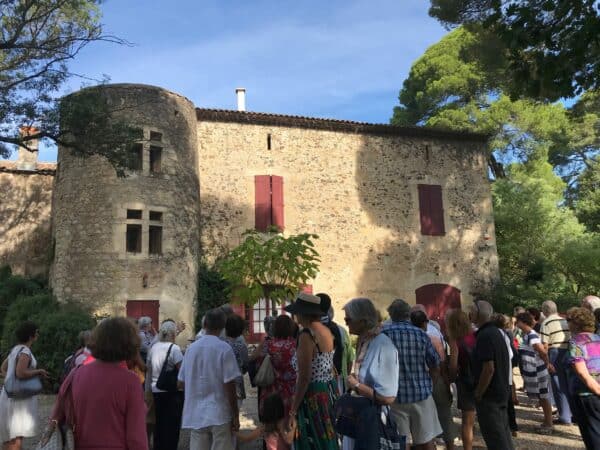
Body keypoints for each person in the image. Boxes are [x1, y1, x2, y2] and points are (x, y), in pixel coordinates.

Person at [48, 317, 148, 450]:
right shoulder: (131, 381)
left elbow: (58, 414)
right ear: (130, 343)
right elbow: (136, 438)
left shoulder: (76, 373)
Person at [382, 299, 442, 450]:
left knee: (401, 442)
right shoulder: (422, 335)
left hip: (394, 397)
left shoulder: (383, 336)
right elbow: (435, 365)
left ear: (391, 315)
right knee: (427, 440)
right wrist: (431, 385)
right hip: (421, 395)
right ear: (408, 315)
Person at [178, 308, 240, 450]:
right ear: (223, 326)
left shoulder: (191, 349)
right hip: (219, 412)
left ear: (204, 324)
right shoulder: (224, 349)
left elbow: (180, 382)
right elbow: (229, 385)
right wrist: (235, 414)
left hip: (196, 413)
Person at [342, 298, 399, 450]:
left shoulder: (382, 345)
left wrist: (357, 385)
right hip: (360, 417)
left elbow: (388, 397)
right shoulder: (365, 341)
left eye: (348, 319)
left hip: (373, 422)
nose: (346, 323)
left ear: (362, 320)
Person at [286, 292, 339, 450]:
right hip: (327, 391)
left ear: (303, 314)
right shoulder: (326, 331)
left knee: (312, 442)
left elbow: (304, 377)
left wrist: (293, 410)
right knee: (326, 439)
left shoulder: (306, 335)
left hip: (312, 395)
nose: (294, 315)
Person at [469, 300, 514, 450]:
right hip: (500, 391)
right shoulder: (496, 332)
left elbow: (489, 368)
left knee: (496, 437)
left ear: (479, 313)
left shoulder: (485, 335)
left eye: (471, 310)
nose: (469, 314)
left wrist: (479, 392)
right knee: (503, 433)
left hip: (490, 395)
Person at [410, 310, 456, 450]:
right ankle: (450, 446)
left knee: (420, 420)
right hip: (435, 380)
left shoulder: (410, 338)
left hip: (416, 382)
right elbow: (441, 363)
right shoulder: (434, 338)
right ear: (425, 323)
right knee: (444, 416)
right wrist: (446, 381)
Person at [0, 321, 48, 450]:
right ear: (31, 335)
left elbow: (3, 368)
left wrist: (10, 380)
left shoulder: (15, 350)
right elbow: (20, 373)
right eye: (36, 332)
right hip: (19, 399)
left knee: (9, 436)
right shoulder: (25, 351)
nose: (38, 334)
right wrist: (38, 371)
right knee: (16, 437)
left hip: (8, 395)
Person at [146, 320, 184, 450]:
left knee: (159, 423)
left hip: (155, 389)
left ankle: (158, 446)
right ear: (173, 334)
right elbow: (182, 370)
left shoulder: (153, 348)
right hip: (171, 391)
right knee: (172, 425)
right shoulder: (175, 349)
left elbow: (149, 369)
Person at [565, 307, 600, 449]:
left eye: (568, 320)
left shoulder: (576, 343)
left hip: (586, 395)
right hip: (595, 392)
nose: (567, 324)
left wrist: (597, 390)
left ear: (576, 323)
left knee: (592, 435)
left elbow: (582, 374)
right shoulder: (598, 339)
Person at [250, 315, 297, 418]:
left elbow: (254, 360)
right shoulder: (295, 345)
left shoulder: (268, 344)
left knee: (272, 422)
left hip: (271, 389)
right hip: (290, 390)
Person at [515, 312, 553, 433]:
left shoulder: (532, 335)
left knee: (543, 396)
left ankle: (549, 424)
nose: (516, 324)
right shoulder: (527, 335)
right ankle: (547, 421)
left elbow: (542, 351)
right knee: (541, 397)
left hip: (538, 370)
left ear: (524, 322)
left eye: (518, 321)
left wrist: (547, 364)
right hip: (536, 369)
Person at [446, 309, 477, 450]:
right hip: (479, 377)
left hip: (466, 380)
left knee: (467, 422)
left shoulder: (455, 340)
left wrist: (450, 379)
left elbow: (453, 365)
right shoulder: (475, 336)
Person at [540, 300, 573, 425]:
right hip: (568, 352)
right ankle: (570, 413)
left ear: (544, 310)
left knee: (557, 384)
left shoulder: (546, 323)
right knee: (567, 383)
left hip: (554, 352)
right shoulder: (564, 320)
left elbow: (544, 345)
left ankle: (564, 416)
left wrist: (547, 362)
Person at [317, 293, 354, 392]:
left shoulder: (310, 331)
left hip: (318, 385)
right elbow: (350, 359)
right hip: (339, 381)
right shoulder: (342, 331)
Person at [222, 314, 249, 408]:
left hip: (221, 384)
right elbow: (245, 365)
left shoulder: (221, 345)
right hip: (237, 383)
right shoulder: (242, 346)